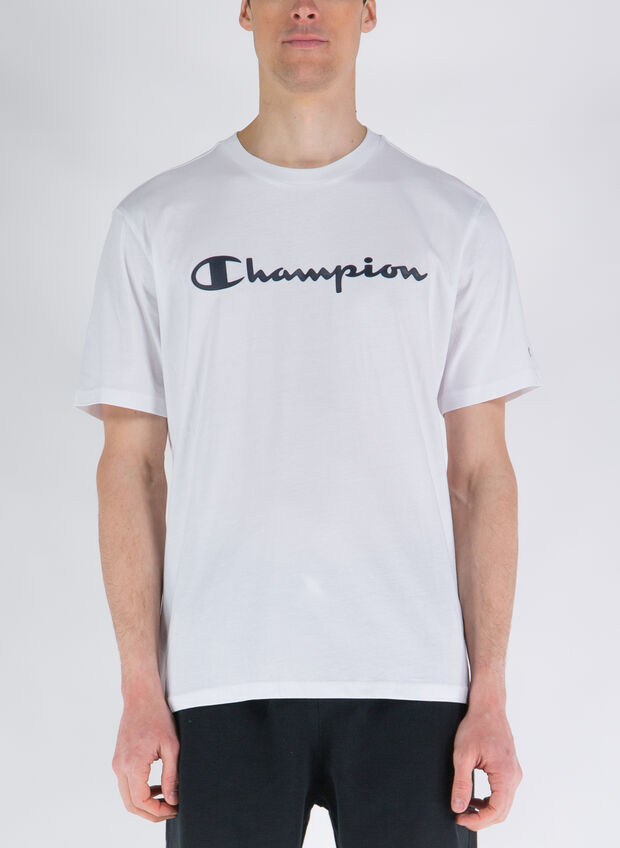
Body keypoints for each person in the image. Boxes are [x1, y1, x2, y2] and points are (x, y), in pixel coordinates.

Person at [73, 1, 542, 846]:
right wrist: (141, 690)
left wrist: (492, 695)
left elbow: (482, 475)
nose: (304, 7)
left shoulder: (452, 220)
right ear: (245, 10)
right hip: (220, 684)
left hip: (415, 684)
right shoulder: (156, 222)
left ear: (369, 11)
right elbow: (131, 468)